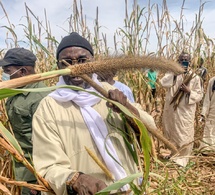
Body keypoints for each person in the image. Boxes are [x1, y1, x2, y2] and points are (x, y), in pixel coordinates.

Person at [32, 32, 157, 195]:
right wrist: (76, 179)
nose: (75, 67)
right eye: (67, 62)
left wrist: (128, 110)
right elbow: (48, 167)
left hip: (130, 188)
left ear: (94, 62)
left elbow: (149, 131)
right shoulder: (49, 108)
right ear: (58, 67)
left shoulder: (111, 93)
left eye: (82, 61)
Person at [0, 48, 49, 195]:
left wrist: (42, 180)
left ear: (23, 71)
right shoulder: (18, 91)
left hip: (35, 175)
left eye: (7, 71)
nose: (4, 76)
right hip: (22, 170)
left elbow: (49, 144)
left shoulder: (41, 97)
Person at [160, 51, 203, 167]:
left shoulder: (195, 77)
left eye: (186, 60)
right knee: (172, 132)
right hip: (172, 110)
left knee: (184, 133)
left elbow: (199, 94)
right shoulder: (172, 73)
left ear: (189, 61)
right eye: (181, 60)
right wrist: (174, 74)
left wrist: (189, 91)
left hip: (185, 111)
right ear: (178, 61)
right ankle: (174, 154)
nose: (184, 62)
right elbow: (163, 83)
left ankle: (182, 159)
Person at [200, 76, 215, 152]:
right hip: (212, 112)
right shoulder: (213, 81)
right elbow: (207, 98)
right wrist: (203, 113)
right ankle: (207, 151)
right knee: (209, 132)